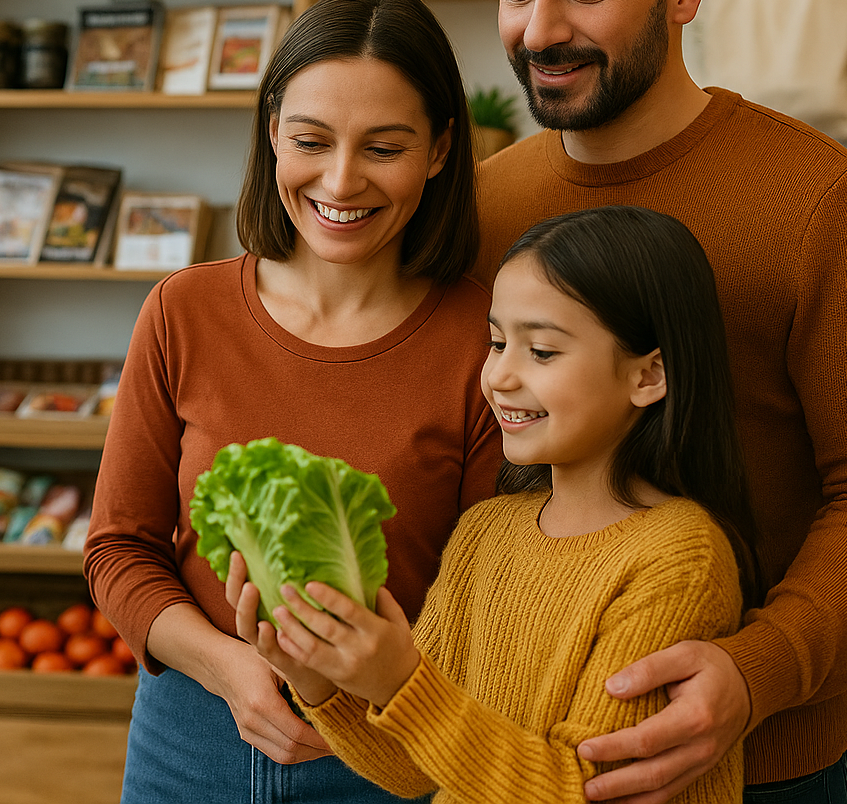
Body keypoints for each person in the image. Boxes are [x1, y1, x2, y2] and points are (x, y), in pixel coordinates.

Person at [474, 0, 847, 804]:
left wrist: (755, 670)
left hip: (763, 763)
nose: (540, 28)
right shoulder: (486, 204)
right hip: (509, 758)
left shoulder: (823, 202)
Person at [84, 0, 503, 802]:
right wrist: (231, 666)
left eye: (385, 148)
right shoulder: (184, 310)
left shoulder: (483, 339)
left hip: (389, 756)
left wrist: (368, 687)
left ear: (442, 148)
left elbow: (485, 598)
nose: (341, 182)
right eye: (311, 140)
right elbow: (118, 551)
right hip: (191, 737)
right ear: (273, 130)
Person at [228, 204, 759, 803]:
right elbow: (417, 770)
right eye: (498, 341)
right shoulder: (485, 532)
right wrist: (319, 680)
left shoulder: (679, 556)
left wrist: (402, 681)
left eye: (543, 352)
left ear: (649, 376)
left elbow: (589, 790)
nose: (498, 376)